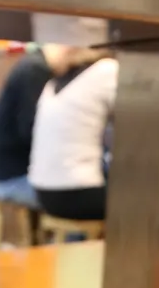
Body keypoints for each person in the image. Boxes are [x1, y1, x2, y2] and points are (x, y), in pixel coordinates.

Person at [29, 50, 118, 221]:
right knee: (141, 201)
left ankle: (77, 236)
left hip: (43, 193)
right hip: (79, 193)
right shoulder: (106, 70)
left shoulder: (53, 83)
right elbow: (134, 116)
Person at [0, 45, 65, 210]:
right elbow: (32, 129)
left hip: (9, 175)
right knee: (88, 200)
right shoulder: (35, 70)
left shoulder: (32, 65)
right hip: (15, 179)